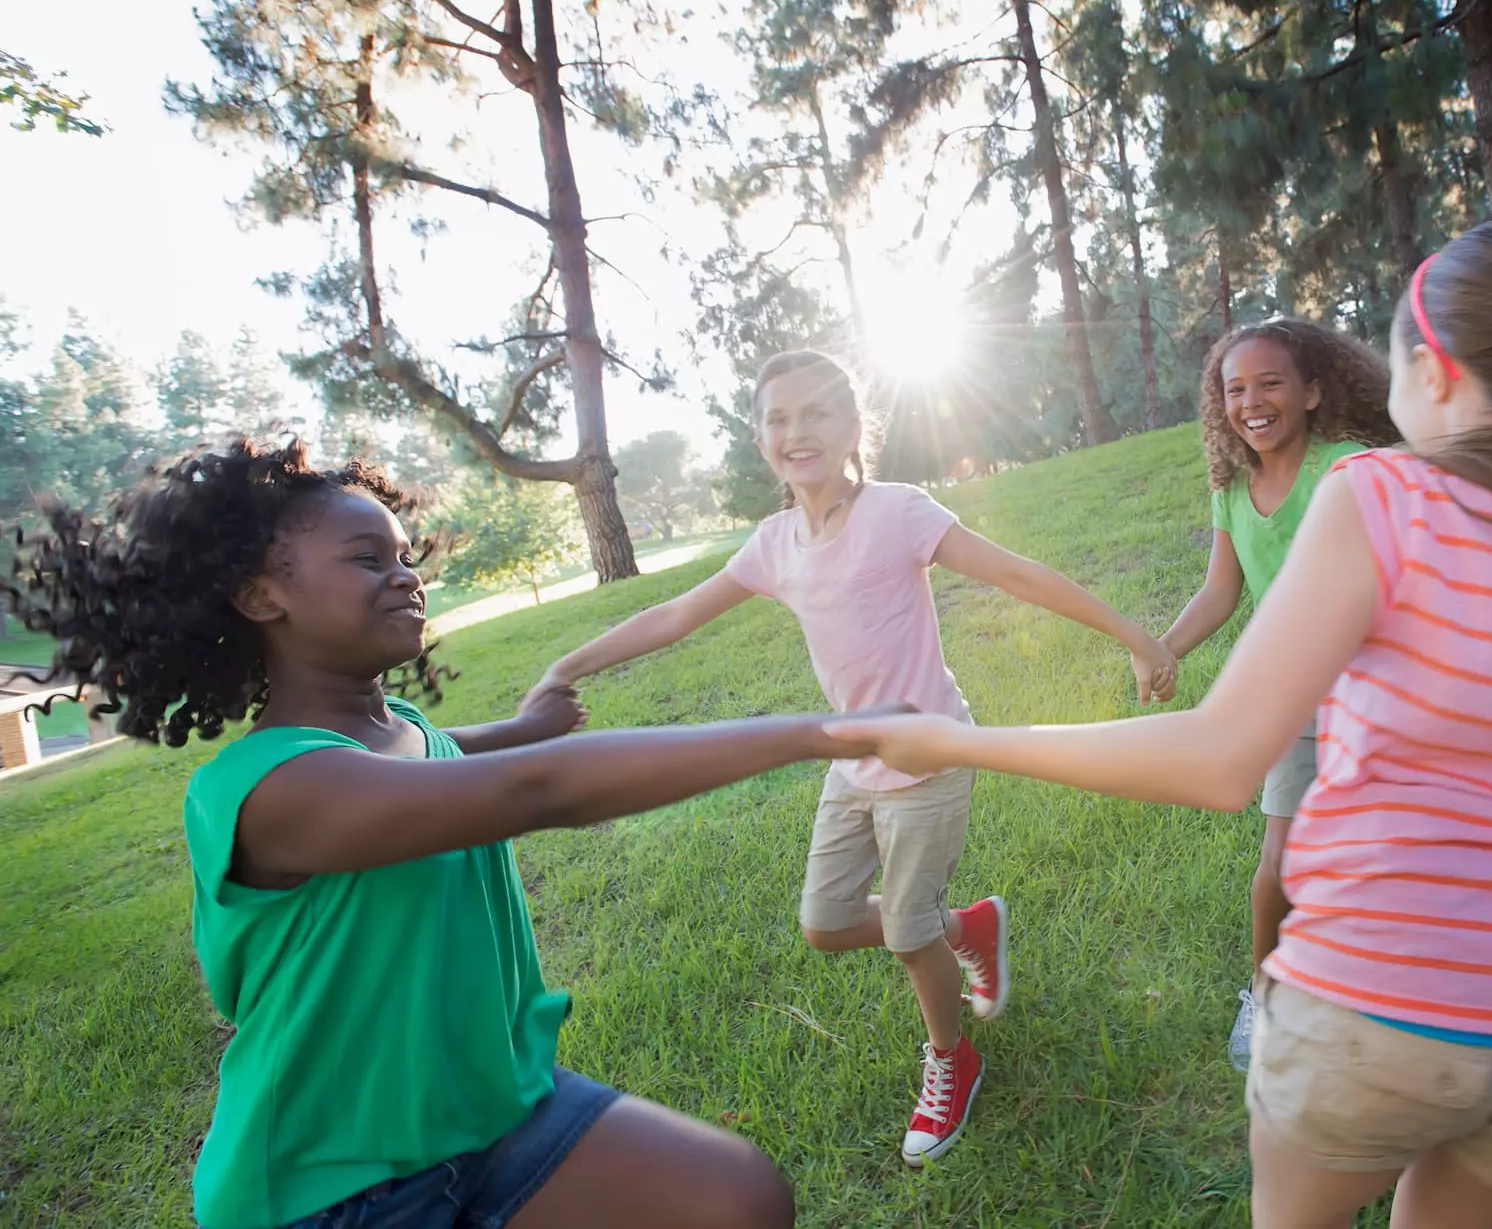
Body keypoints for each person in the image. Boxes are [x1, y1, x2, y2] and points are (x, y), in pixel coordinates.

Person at [827, 218, 1492, 1228]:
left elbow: (1221, 759)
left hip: (1380, 1013)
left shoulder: (1375, 487)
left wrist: (953, 740)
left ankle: (1263, 998)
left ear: (1431, 375)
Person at [5, 440, 895, 1229]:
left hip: (490, 1109)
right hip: (332, 1188)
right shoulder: (268, 788)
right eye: (366, 558)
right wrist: (818, 731)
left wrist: (525, 723)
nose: (406, 575)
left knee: (739, 1197)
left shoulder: (391, 729)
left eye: (404, 555)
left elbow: (442, 752)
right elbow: (531, 792)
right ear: (258, 593)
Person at [532, 349, 1177, 1169]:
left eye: (816, 414)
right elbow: (675, 614)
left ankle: (953, 1056)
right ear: (761, 436)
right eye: (778, 418)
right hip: (851, 761)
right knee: (826, 923)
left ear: (852, 427)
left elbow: (1016, 572)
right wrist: (568, 666)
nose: (796, 432)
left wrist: (1137, 634)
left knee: (907, 938)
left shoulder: (898, 512)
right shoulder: (773, 545)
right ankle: (968, 927)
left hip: (931, 754)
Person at [1160, 318, 1399, 1070]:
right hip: (1292, 697)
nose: (1252, 402)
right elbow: (1221, 589)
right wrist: (1167, 648)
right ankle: (1264, 994)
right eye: (1235, 389)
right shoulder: (1231, 490)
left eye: (1270, 383)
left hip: (1378, 693)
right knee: (1282, 857)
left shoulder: (1349, 467)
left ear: (1313, 390)